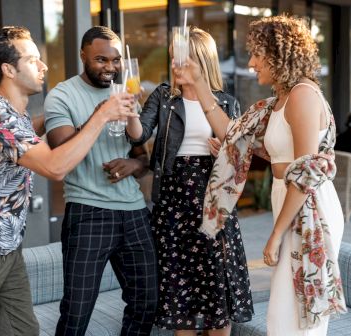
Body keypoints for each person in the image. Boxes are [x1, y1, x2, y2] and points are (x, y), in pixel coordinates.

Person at [0, 26, 136, 336]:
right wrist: (102, 115)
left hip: (8, 250)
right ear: (8, 69)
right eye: (33, 59)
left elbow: (40, 129)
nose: (44, 66)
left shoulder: (17, 116)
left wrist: (71, 110)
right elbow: (55, 167)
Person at [171, 16, 347, 335]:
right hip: (289, 200)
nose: (251, 62)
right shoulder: (276, 102)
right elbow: (232, 133)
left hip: (309, 206)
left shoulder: (302, 96)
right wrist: (197, 83)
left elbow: (305, 173)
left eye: (257, 54)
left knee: (295, 316)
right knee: (285, 315)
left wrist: (276, 234)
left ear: (278, 55)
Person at [126, 26, 253, 336]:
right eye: (172, 59)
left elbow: (240, 159)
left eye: (181, 60)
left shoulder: (225, 102)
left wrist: (223, 152)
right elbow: (139, 134)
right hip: (174, 201)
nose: (174, 66)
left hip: (212, 201)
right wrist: (129, 109)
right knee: (181, 295)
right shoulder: (164, 96)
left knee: (216, 291)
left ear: (202, 62)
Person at [44, 26, 157, 336]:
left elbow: (144, 157)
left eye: (115, 60)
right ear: (83, 56)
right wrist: (100, 115)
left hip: (134, 212)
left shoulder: (124, 94)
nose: (110, 67)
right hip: (88, 212)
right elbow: (60, 150)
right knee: (77, 311)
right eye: (100, 59)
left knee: (147, 302)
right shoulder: (62, 95)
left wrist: (133, 163)